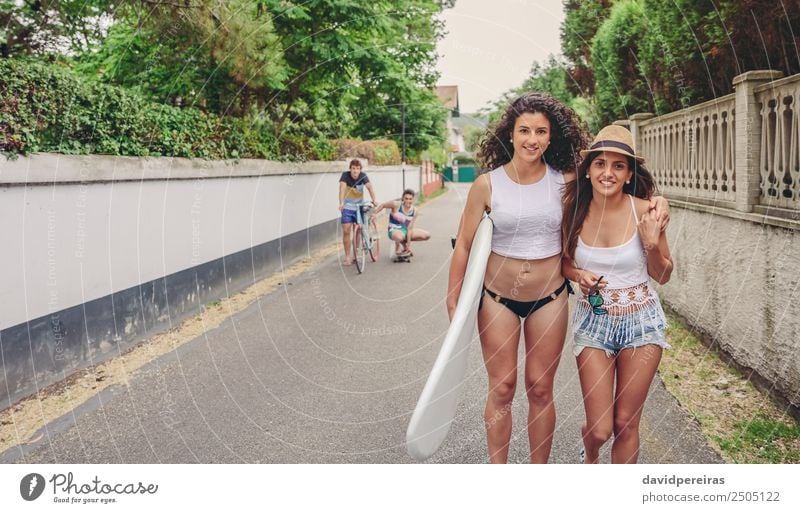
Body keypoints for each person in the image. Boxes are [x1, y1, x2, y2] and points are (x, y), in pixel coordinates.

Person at [446, 92, 670, 464]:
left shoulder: (565, 182)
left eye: (540, 131)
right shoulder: (487, 185)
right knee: (501, 388)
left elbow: (616, 191)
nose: (532, 139)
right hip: (497, 298)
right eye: (524, 130)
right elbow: (465, 246)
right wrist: (453, 298)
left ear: (551, 137)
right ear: (510, 134)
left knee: (539, 388)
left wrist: (660, 203)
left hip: (549, 300)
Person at [560, 125, 673, 464]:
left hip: (642, 322)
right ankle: (590, 453)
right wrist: (579, 275)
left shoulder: (646, 211)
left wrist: (652, 244)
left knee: (626, 424)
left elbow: (664, 274)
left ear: (627, 174)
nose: (608, 173)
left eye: (618, 166)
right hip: (593, 321)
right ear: (589, 169)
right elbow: (564, 263)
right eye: (600, 164)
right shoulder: (573, 210)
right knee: (599, 429)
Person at [339, 159, 378, 265]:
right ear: (350, 169)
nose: (355, 171)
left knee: (358, 230)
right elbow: (342, 189)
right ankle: (348, 257)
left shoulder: (363, 176)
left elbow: (369, 187)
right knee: (346, 230)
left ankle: (356, 254)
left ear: (360, 169)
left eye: (357, 169)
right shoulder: (345, 176)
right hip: (347, 207)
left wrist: (374, 199)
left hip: (359, 207)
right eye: (353, 168)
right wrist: (341, 203)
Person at [374, 189, 430, 257]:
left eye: (410, 199)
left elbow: (409, 229)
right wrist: (374, 214)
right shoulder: (396, 205)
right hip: (394, 229)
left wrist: (408, 246)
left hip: (405, 230)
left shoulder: (415, 211)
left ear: (413, 199)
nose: (408, 201)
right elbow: (383, 205)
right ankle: (397, 247)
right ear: (403, 198)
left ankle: (404, 244)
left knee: (427, 235)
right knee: (399, 237)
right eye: (406, 198)